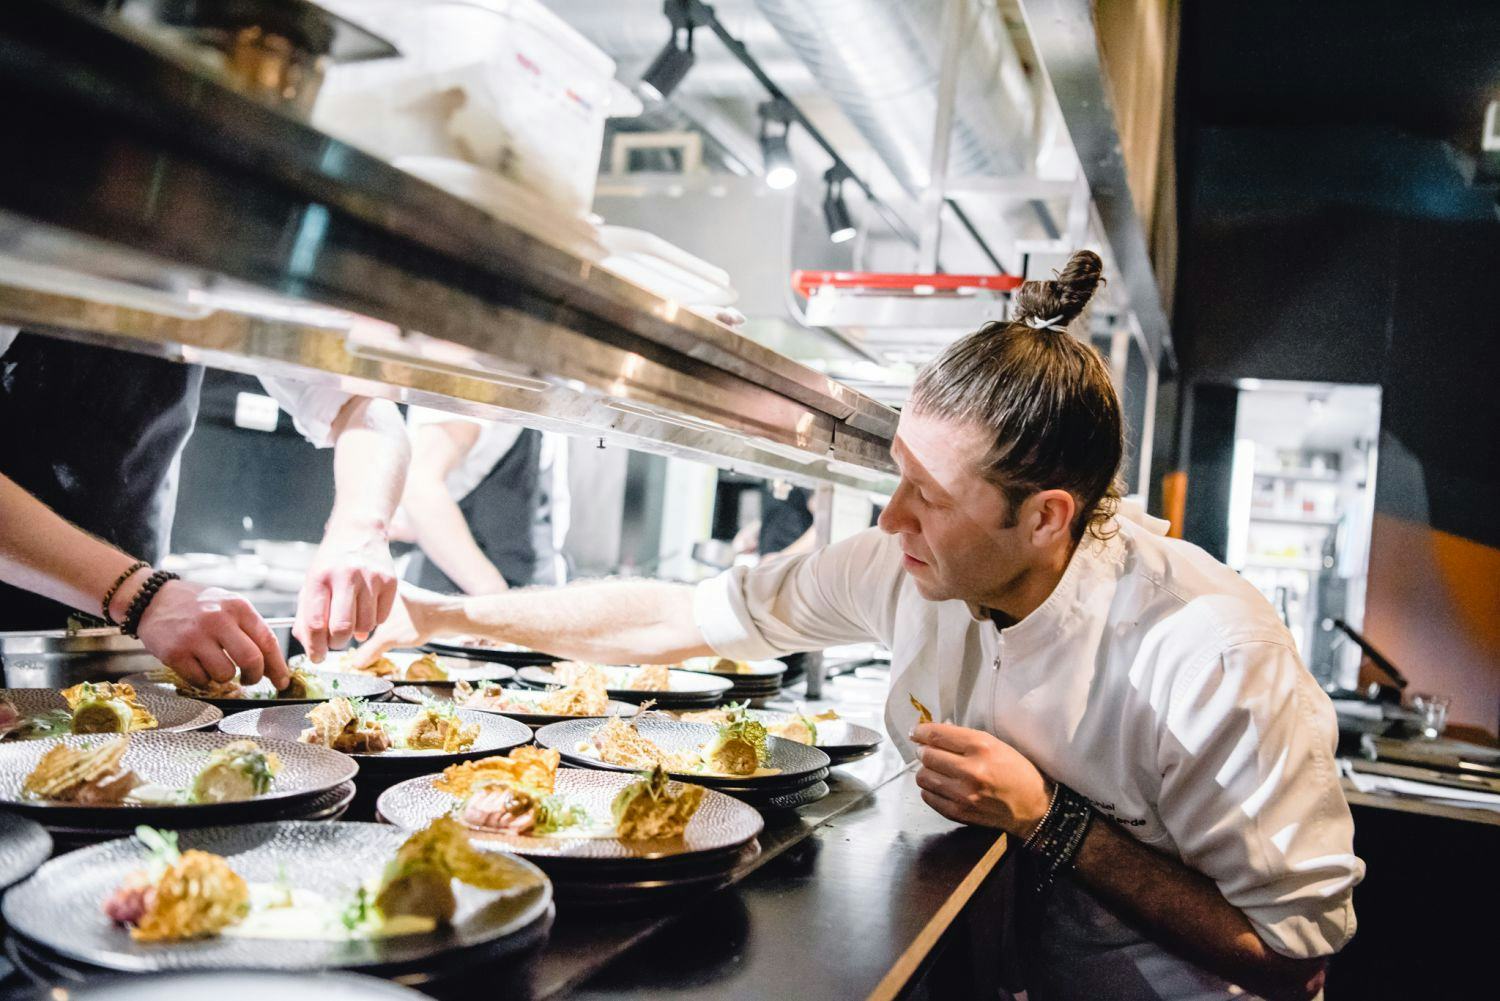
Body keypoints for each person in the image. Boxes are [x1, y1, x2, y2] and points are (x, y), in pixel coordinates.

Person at [356, 251, 1361, 1001]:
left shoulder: (1212, 651)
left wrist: (1050, 816)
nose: (890, 520)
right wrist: (438, 613)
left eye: (928, 495)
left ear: (1045, 515)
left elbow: (1293, 954)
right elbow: (677, 615)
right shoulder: (908, 561)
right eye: (897, 479)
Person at [0, 326, 410, 685]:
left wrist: (361, 530)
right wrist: (141, 596)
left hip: (122, 626)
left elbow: (364, 405)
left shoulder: (228, 275)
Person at [391, 405, 568, 593]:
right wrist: (493, 594)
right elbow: (419, 485)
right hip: (458, 597)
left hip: (522, 588)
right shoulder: (483, 388)